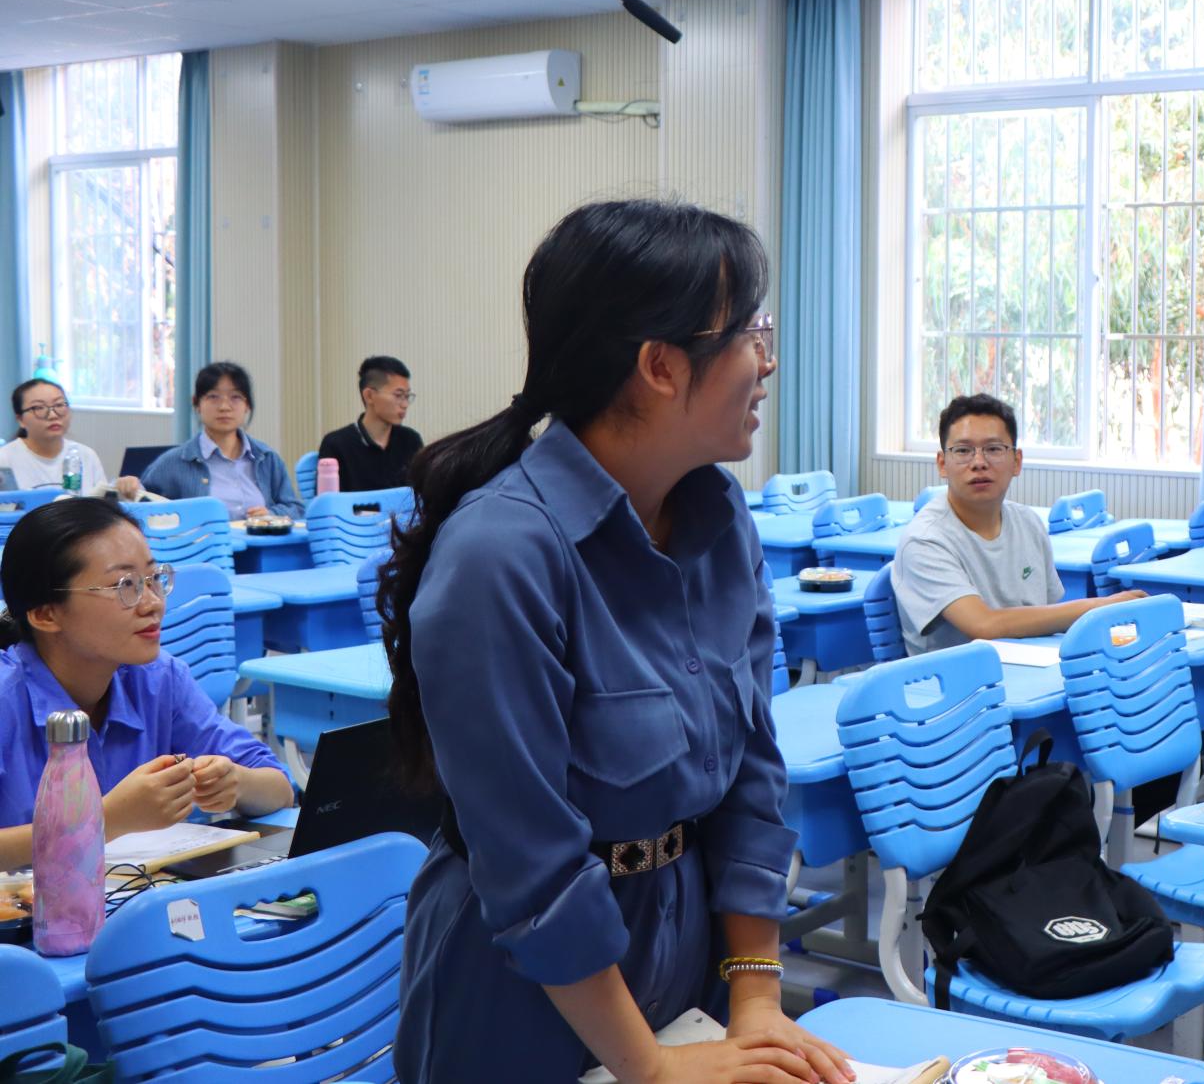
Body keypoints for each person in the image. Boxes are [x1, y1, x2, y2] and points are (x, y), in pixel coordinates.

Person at [378, 200, 850, 1084]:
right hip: (522, 988)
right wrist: (656, 1071)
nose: (768, 359)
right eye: (752, 331)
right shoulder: (502, 556)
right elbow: (533, 866)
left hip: (683, 949)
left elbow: (752, 760)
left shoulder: (715, 513)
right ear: (661, 366)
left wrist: (752, 991)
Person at [0, 498, 293, 869]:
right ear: (46, 614)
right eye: (125, 586)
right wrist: (108, 819)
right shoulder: (6, 700)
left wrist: (236, 782)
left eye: (154, 579)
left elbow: (279, 788)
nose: (152, 603)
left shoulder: (159, 680)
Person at [891, 394, 1144, 655]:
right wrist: (1102, 606)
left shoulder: (1028, 523)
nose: (979, 462)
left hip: (1033, 672)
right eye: (963, 450)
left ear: (1017, 461)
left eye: (993, 449)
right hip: (957, 686)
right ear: (942, 464)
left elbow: (1048, 615)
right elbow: (984, 625)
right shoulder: (925, 539)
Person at [140, 363, 303, 519]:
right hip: (202, 547)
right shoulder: (175, 462)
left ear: (247, 406)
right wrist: (129, 487)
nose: (224, 406)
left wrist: (271, 515)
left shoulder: (266, 458)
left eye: (235, 397)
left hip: (261, 545)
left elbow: (295, 509)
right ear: (196, 404)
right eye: (213, 397)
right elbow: (140, 503)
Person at [0, 380, 141, 498]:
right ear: (20, 420)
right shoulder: (4, 459)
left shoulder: (86, 455)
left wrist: (124, 488)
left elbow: (100, 507)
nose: (52, 415)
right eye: (39, 408)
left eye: (59, 405)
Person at [317, 355, 424, 492]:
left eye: (407, 396)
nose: (404, 404)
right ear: (369, 396)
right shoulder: (336, 444)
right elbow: (329, 504)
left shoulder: (411, 440)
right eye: (398, 395)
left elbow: (422, 495)